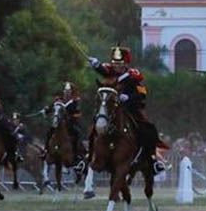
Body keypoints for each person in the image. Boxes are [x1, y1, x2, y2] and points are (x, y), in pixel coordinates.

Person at [88, 46, 168, 174]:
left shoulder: (133, 76)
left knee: (148, 129)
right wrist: (96, 64)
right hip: (112, 109)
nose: (116, 66)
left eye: (119, 64)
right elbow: (102, 70)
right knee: (95, 127)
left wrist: (128, 97)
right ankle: (89, 156)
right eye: (114, 63)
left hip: (130, 109)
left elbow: (142, 93)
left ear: (125, 64)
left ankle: (153, 159)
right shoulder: (109, 72)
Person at [43, 81, 85, 171]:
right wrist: (46, 110)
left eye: (68, 91)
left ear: (71, 92)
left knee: (77, 133)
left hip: (70, 123)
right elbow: (52, 107)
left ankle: (77, 154)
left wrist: (71, 116)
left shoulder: (75, 101)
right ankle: (46, 151)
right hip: (58, 122)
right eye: (65, 91)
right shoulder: (59, 100)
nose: (66, 93)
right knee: (49, 132)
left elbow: (78, 113)